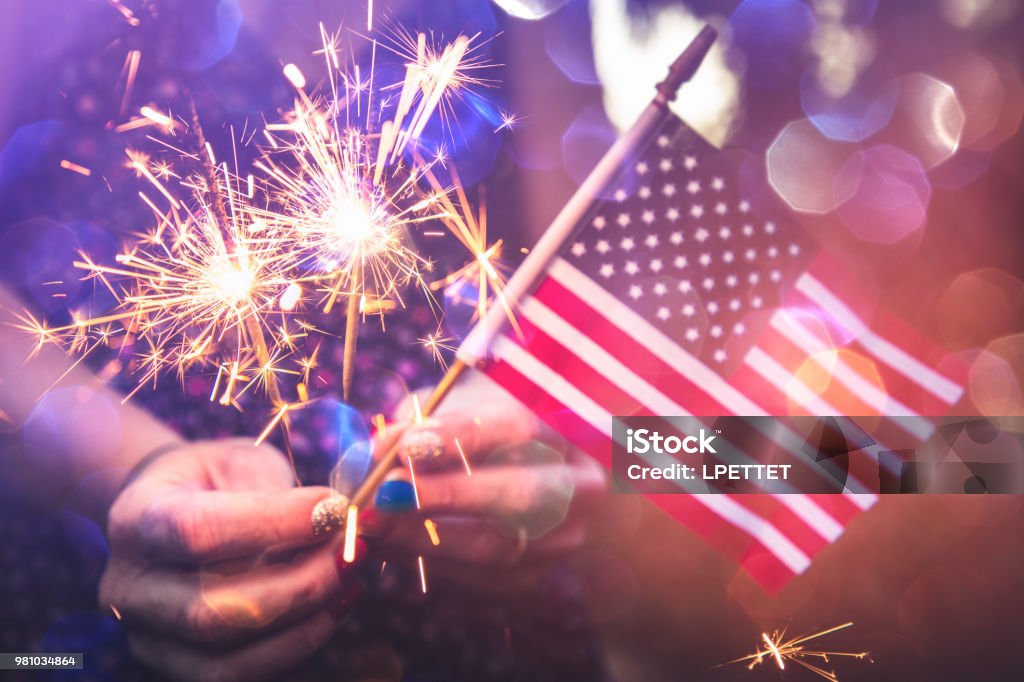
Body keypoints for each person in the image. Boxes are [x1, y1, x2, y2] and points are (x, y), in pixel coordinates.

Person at [0, 284, 607, 681]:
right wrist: (129, 469)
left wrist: (542, 420)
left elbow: (580, 249)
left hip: (495, 629)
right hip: (87, 584)